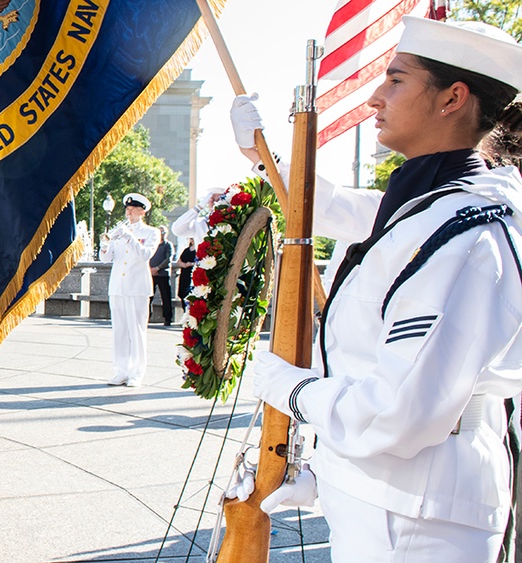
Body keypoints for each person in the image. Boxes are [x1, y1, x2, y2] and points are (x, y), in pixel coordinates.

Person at [236, 17, 522, 562]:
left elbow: (397, 412)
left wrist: (291, 389)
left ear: (452, 98)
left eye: (395, 80)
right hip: (388, 495)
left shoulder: (466, 229)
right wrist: (332, 471)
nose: (373, 98)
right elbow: (340, 209)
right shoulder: (436, 200)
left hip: (420, 515)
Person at [99, 193, 161, 387]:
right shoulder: (119, 230)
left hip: (137, 288)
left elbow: (145, 255)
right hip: (117, 286)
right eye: (128, 209)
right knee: (119, 331)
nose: (129, 211)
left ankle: (137, 373)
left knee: (137, 331)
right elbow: (106, 259)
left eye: (133, 209)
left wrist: (129, 237)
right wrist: (104, 246)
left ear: (142, 212)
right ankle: (121, 370)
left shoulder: (150, 232)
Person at [149, 226, 174, 325]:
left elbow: (168, 259)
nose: (161, 234)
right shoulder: (152, 245)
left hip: (162, 274)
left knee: (166, 297)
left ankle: (167, 318)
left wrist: (158, 268)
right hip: (151, 274)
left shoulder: (168, 245)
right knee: (149, 296)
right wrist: (150, 269)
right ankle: (147, 316)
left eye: (163, 233)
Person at [174, 238, 196, 311]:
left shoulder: (197, 250)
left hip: (192, 273)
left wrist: (191, 264)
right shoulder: (186, 250)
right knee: (183, 293)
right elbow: (179, 261)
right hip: (184, 273)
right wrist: (183, 264)